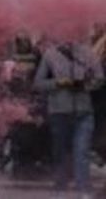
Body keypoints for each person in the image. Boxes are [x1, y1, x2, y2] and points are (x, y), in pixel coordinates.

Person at [33, 35, 102, 196]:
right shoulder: (50, 54)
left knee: (82, 152)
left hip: (83, 112)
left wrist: (85, 84)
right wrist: (58, 83)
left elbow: (99, 78)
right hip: (59, 112)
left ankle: (84, 190)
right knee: (60, 153)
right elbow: (38, 83)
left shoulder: (87, 53)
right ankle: (60, 189)